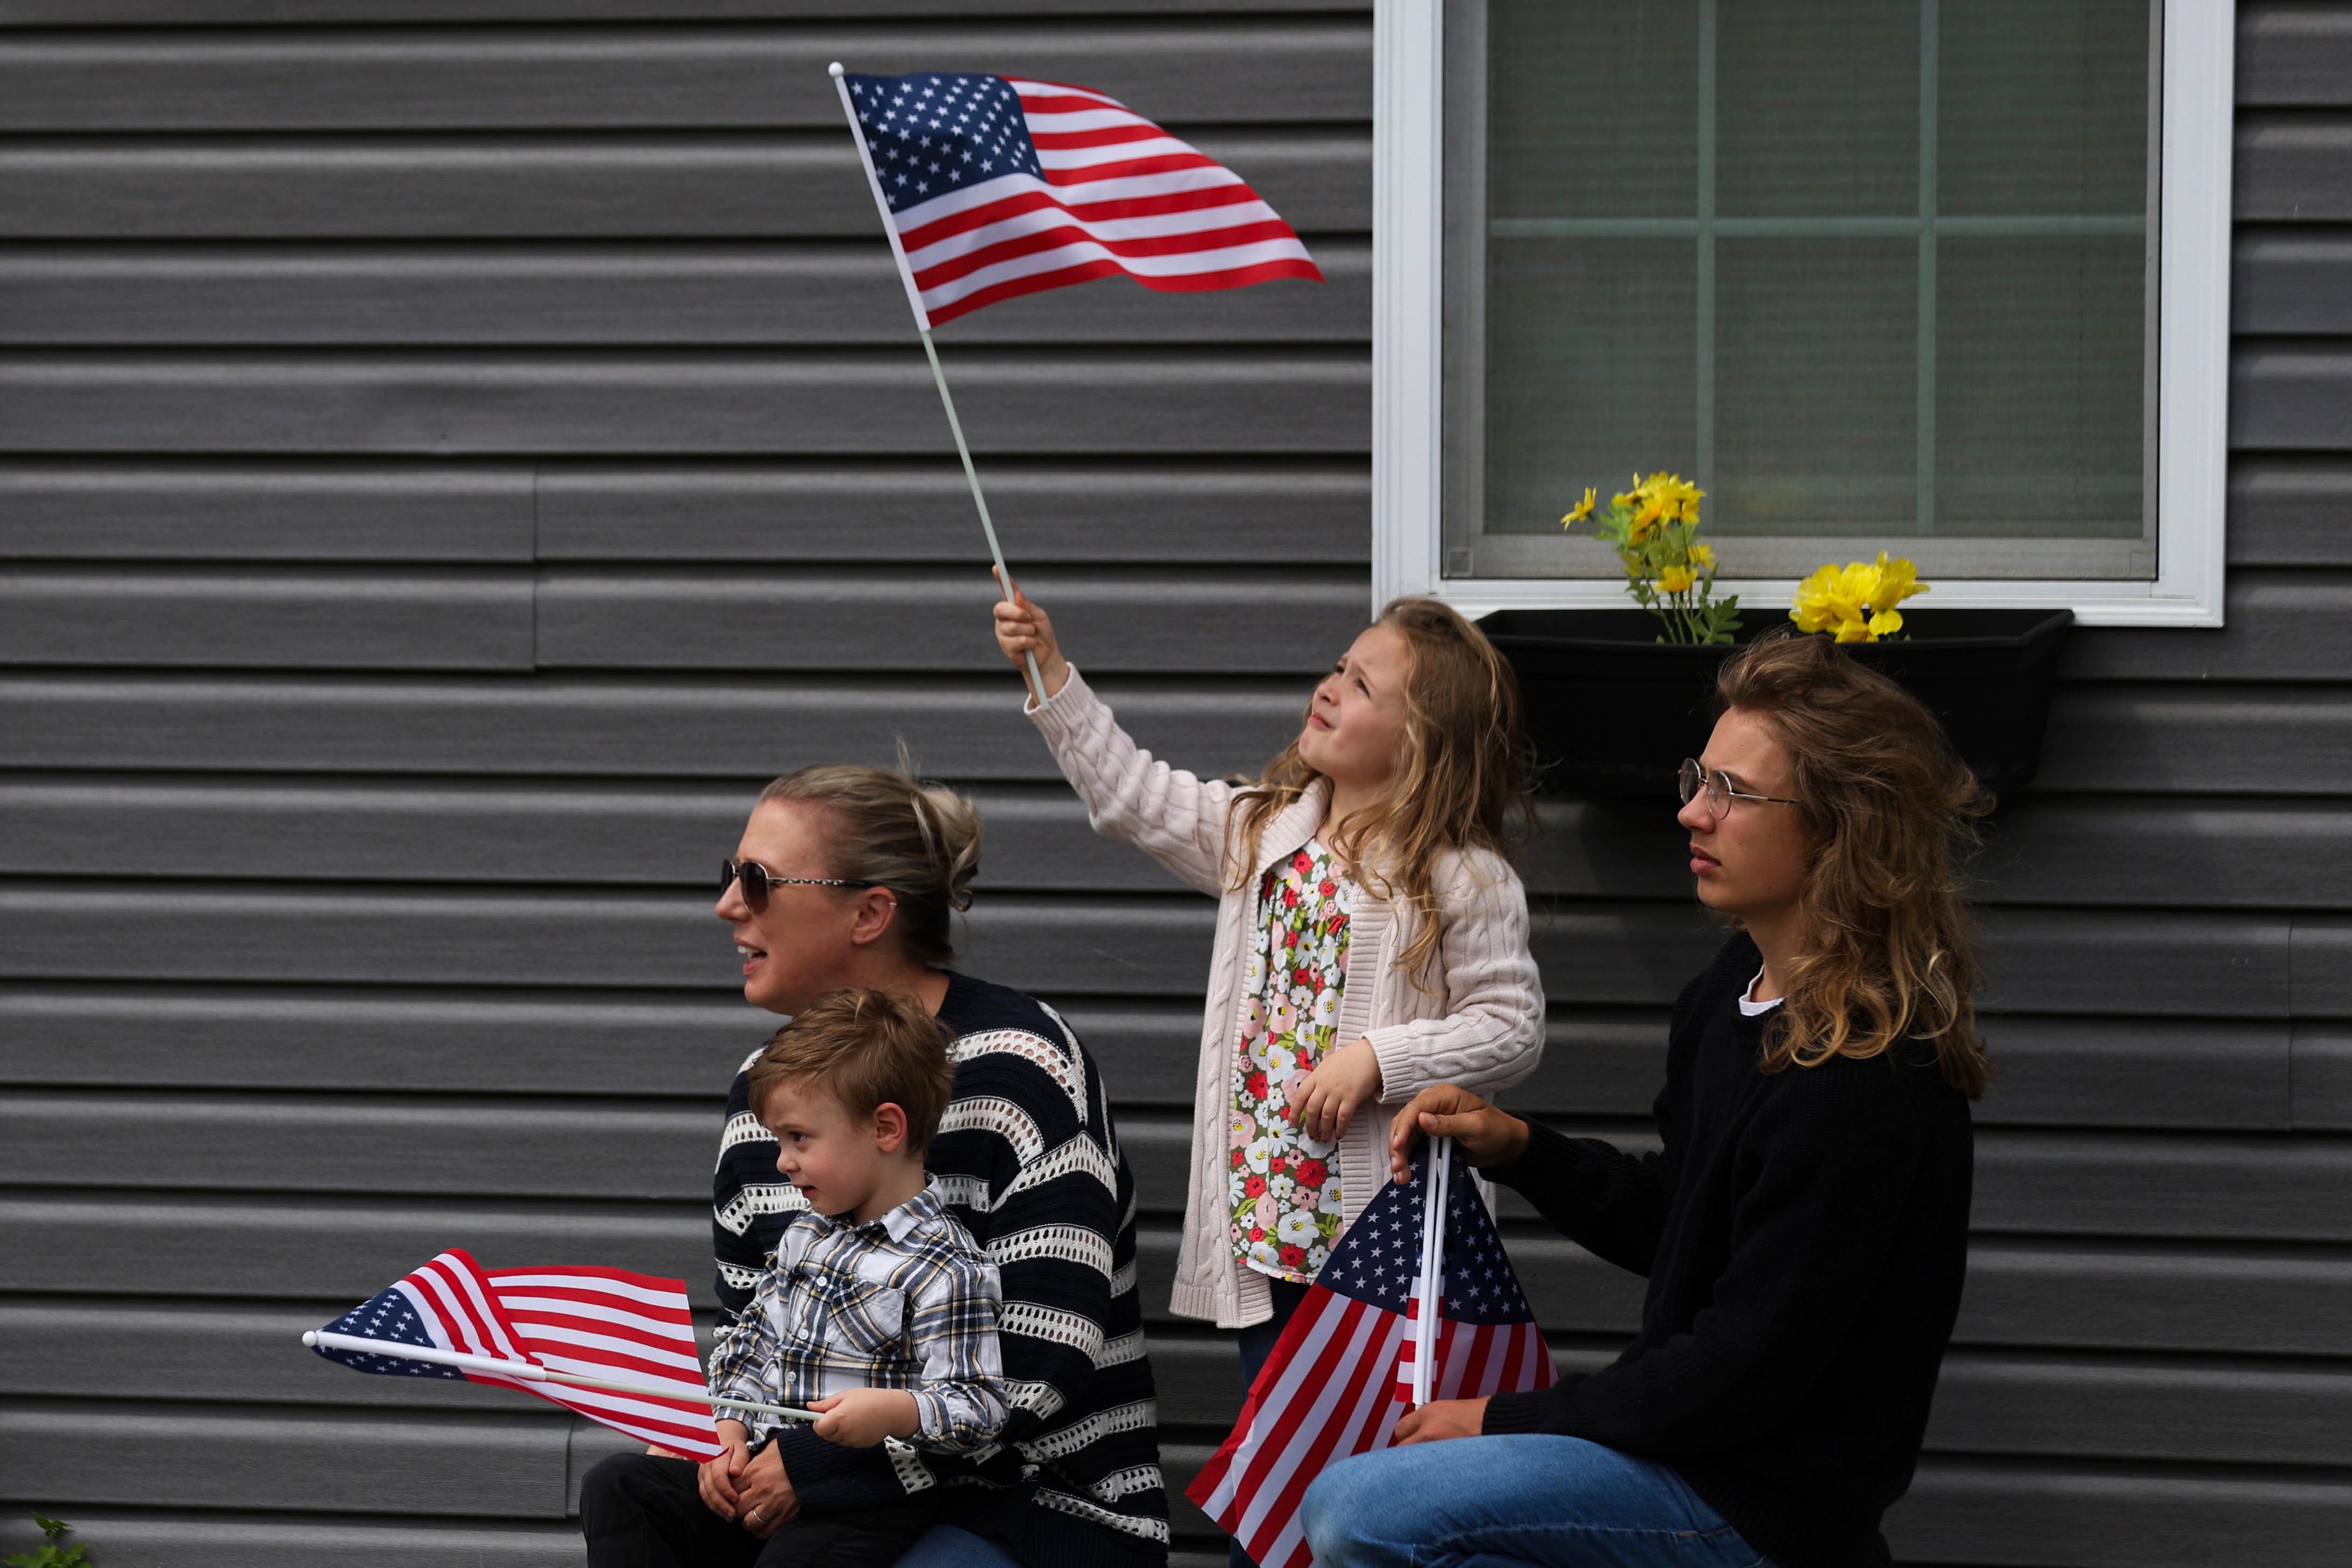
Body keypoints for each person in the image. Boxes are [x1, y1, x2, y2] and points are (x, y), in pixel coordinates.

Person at [1298, 629, 1993, 1568]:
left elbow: (1739, 1371)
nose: (1692, 815)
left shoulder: (1862, 1071)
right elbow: (1680, 1220)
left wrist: (1503, 1418)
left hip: (1758, 1512)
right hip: (1681, 1463)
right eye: (1695, 779)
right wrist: (1519, 1146)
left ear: (1840, 825)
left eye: (1733, 793)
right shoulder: (1729, 991)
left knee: (1362, 1509)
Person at [992, 582, 1546, 1565]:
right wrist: (1051, 671)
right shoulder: (1263, 833)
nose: (1331, 687)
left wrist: (1380, 1056)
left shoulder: (1461, 873)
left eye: (1363, 682)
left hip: (1380, 1248)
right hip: (1266, 1232)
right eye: (1339, 666)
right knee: (1283, 1482)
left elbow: (1511, 1027)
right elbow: (1129, 793)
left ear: (1424, 738)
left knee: (1385, 1481)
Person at [704, 766, 1168, 1568]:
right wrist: (725, 1443)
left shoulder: (1021, 1070)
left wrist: (824, 1470)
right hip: (820, 1508)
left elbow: (1039, 1358)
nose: (728, 905)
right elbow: (754, 1327)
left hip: (1034, 1506)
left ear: (870, 912)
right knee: (629, 1495)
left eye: (758, 881)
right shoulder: (761, 1095)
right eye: (729, 875)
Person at [580, 988, 1010, 1567]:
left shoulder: (947, 1265)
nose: (783, 1160)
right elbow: (751, 1344)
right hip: (757, 1478)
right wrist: (729, 1427)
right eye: (780, 1139)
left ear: (886, 1128)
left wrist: (897, 1410)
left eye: (799, 1138)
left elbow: (977, 1406)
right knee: (620, 1483)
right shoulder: (803, 1238)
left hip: (863, 1505)